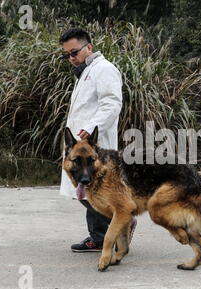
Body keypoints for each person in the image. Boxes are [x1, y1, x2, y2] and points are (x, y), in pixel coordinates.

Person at [58, 28, 136, 252]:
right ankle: (101, 235)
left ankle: (111, 232)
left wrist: (90, 128)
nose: (71, 58)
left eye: (74, 53)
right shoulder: (86, 72)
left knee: (94, 189)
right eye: (67, 55)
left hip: (93, 145)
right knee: (86, 191)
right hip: (79, 145)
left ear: (89, 47)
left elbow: (112, 103)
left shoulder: (104, 69)